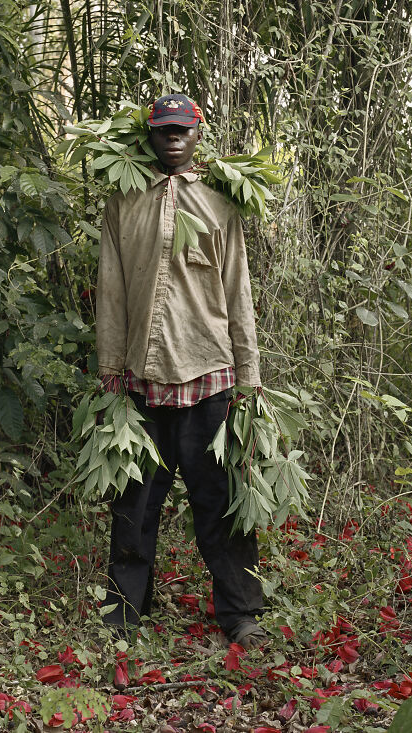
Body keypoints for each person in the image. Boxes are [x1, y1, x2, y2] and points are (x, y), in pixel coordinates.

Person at [95, 93, 267, 649]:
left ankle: (240, 613)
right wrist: (109, 363)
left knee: (217, 499)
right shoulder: (125, 201)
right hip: (142, 376)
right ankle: (125, 611)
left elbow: (238, 287)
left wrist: (249, 371)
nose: (172, 139)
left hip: (208, 371)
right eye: (163, 131)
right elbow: (112, 285)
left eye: (182, 131)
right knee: (135, 502)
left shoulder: (220, 201)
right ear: (150, 135)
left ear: (198, 134)